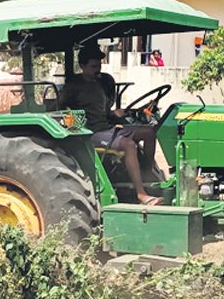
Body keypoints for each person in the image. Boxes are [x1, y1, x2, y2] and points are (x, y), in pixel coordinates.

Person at [57, 42, 162, 206]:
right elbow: (60, 109)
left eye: (99, 65)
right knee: (128, 145)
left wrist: (115, 113)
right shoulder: (73, 87)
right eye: (93, 66)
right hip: (91, 134)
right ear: (82, 65)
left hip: (107, 127)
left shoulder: (100, 83)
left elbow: (103, 111)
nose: (97, 70)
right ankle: (141, 194)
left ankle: (147, 175)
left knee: (149, 132)